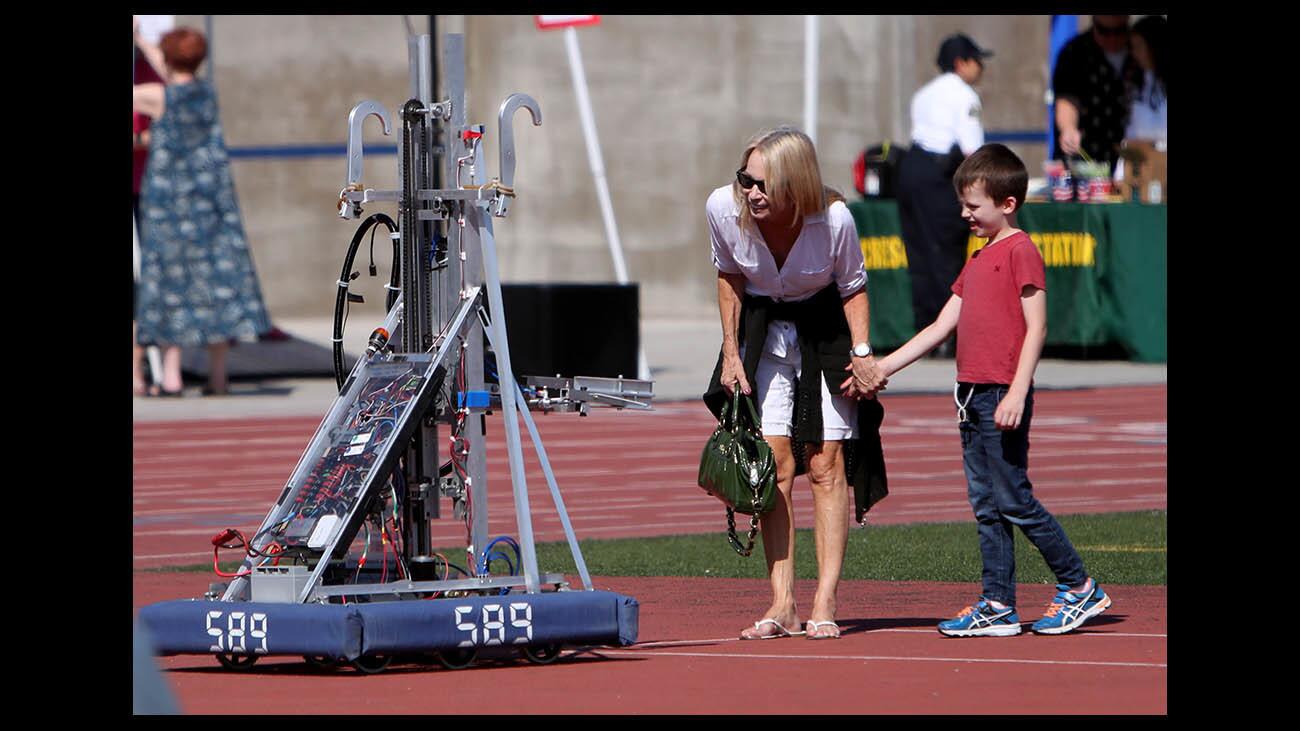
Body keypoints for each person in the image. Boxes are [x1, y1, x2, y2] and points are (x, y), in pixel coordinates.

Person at [877, 144, 1111, 637]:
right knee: (986, 504)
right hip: (969, 395)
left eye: (973, 205)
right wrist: (883, 368)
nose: (964, 214)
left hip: (1000, 395)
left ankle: (1078, 585)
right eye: (963, 204)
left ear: (1006, 204)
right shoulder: (979, 258)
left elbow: (1037, 327)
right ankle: (998, 604)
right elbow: (941, 325)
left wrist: (1017, 392)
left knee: (1014, 499)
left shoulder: (1021, 251)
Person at [703, 126, 889, 641]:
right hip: (764, 329)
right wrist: (729, 350)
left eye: (763, 184)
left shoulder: (834, 221)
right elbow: (729, 277)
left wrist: (862, 354)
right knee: (774, 461)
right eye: (746, 180)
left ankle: (825, 600)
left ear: (795, 184)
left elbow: (853, 287)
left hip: (823, 330)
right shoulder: (723, 208)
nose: (751, 193)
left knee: (826, 462)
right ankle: (782, 603)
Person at [133, 23, 273, 396]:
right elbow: (177, 75)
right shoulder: (205, 93)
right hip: (211, 204)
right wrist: (143, 41)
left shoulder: (156, 97)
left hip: (168, 206)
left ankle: (172, 374)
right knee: (215, 285)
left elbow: (163, 84)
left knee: (169, 286)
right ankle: (217, 376)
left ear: (166, 58)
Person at [896, 33, 992, 357]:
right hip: (939, 175)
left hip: (911, 169)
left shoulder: (923, 94)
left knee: (919, 253)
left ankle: (926, 330)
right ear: (961, 63)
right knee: (946, 252)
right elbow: (972, 152)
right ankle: (948, 336)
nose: (980, 68)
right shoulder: (965, 96)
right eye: (976, 61)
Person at [1052, 15, 1143, 168]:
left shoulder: (1141, 51)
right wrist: (1068, 129)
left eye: (1119, 31)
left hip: (1132, 162)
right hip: (1087, 163)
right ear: (1093, 23)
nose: (1112, 38)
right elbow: (1067, 99)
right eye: (1104, 31)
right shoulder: (1074, 52)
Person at [1124, 15, 1166, 143]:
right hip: (1140, 156)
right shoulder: (1137, 82)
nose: (1135, 53)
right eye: (1133, 47)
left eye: (1139, 46)